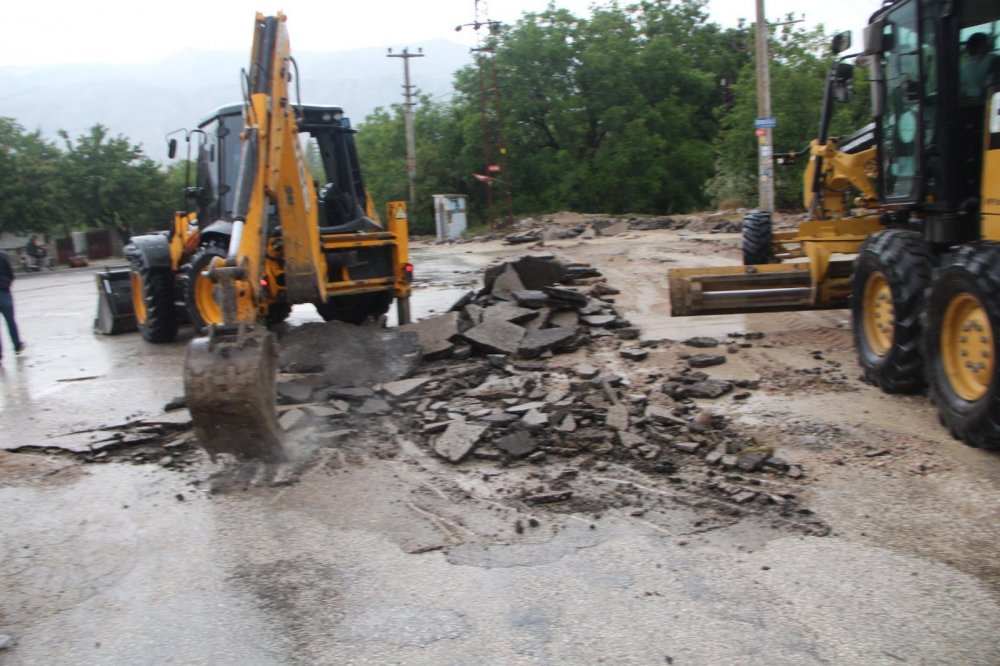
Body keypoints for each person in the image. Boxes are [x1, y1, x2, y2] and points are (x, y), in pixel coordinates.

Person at [0, 249, 25, 361]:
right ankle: (17, 345)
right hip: (4, 292)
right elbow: (11, 274)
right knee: (10, 321)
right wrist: (7, 284)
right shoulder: (3, 255)